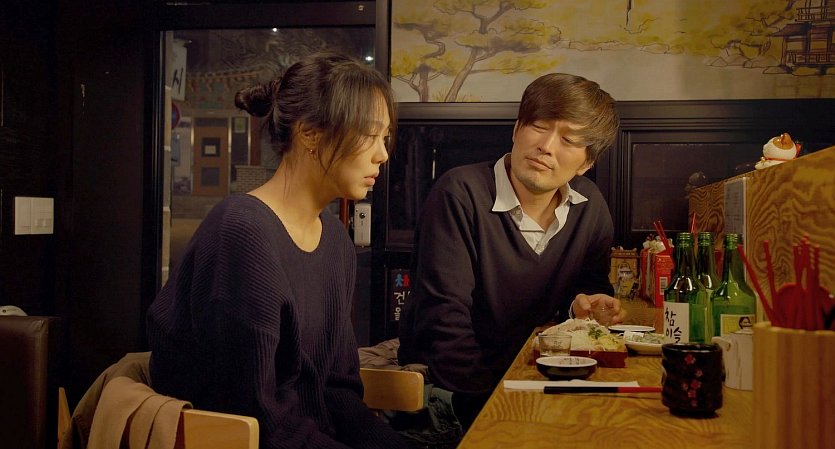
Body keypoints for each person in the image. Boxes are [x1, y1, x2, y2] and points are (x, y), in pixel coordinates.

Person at [146, 52, 411, 449]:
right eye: (369, 135)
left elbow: (338, 390)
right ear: (310, 134)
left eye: (384, 137)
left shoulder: (335, 239)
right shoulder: (244, 233)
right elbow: (256, 416)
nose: (383, 154)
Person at [398, 72, 625, 429]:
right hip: (451, 388)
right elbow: (442, 321)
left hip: (531, 375)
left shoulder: (589, 206)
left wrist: (586, 305)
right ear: (517, 129)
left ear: (586, 163)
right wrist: (500, 405)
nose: (546, 146)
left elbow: (587, 290)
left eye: (568, 139)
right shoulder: (460, 193)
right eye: (539, 126)